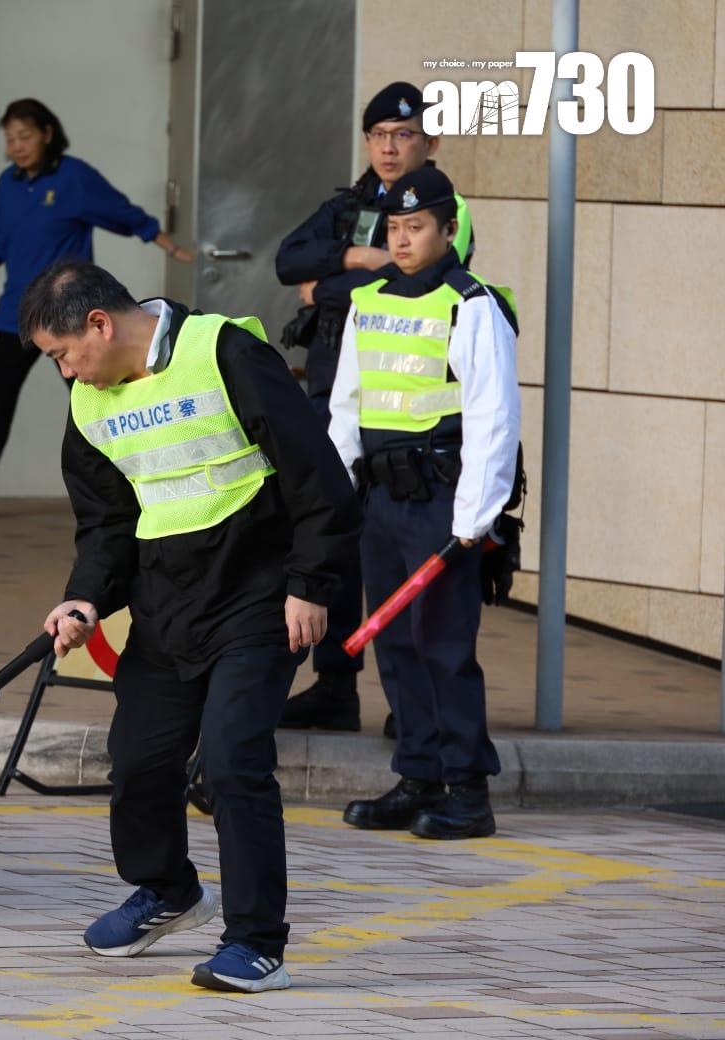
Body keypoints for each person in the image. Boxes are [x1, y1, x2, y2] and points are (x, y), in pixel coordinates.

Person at [22, 261, 360, 992]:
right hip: (165, 605)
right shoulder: (89, 403)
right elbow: (107, 522)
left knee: (235, 762)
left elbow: (316, 476)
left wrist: (311, 584)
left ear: (100, 324)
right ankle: (167, 891)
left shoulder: (225, 353)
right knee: (138, 761)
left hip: (259, 595)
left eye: (62, 351)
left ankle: (256, 941)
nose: (63, 368)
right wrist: (84, 599)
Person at [273, 81, 476, 732]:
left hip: (410, 424)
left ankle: (412, 707)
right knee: (336, 547)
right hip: (338, 403)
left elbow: (407, 285)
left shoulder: (448, 210)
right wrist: (356, 258)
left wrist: (325, 289)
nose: (390, 148)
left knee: (409, 570)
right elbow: (288, 260)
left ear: (430, 142)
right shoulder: (356, 205)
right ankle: (336, 684)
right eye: (380, 136)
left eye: (404, 135)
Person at [328, 166, 520, 840]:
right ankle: (417, 776)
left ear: (447, 230)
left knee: (442, 647)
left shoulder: (472, 304)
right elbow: (346, 404)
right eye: (395, 228)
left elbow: (494, 417)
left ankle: (467, 790)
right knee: (395, 647)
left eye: (417, 227)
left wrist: (474, 521)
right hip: (379, 499)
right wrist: (337, 491)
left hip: (442, 500)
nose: (403, 239)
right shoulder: (369, 298)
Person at [0, 98, 196, 518]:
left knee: (98, 397)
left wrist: (172, 246)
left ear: (47, 134)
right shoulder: (8, 184)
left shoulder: (73, 178)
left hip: (67, 317)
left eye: (25, 136)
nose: (17, 146)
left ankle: (133, 484)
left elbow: (123, 212)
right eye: (10, 138)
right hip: (15, 315)